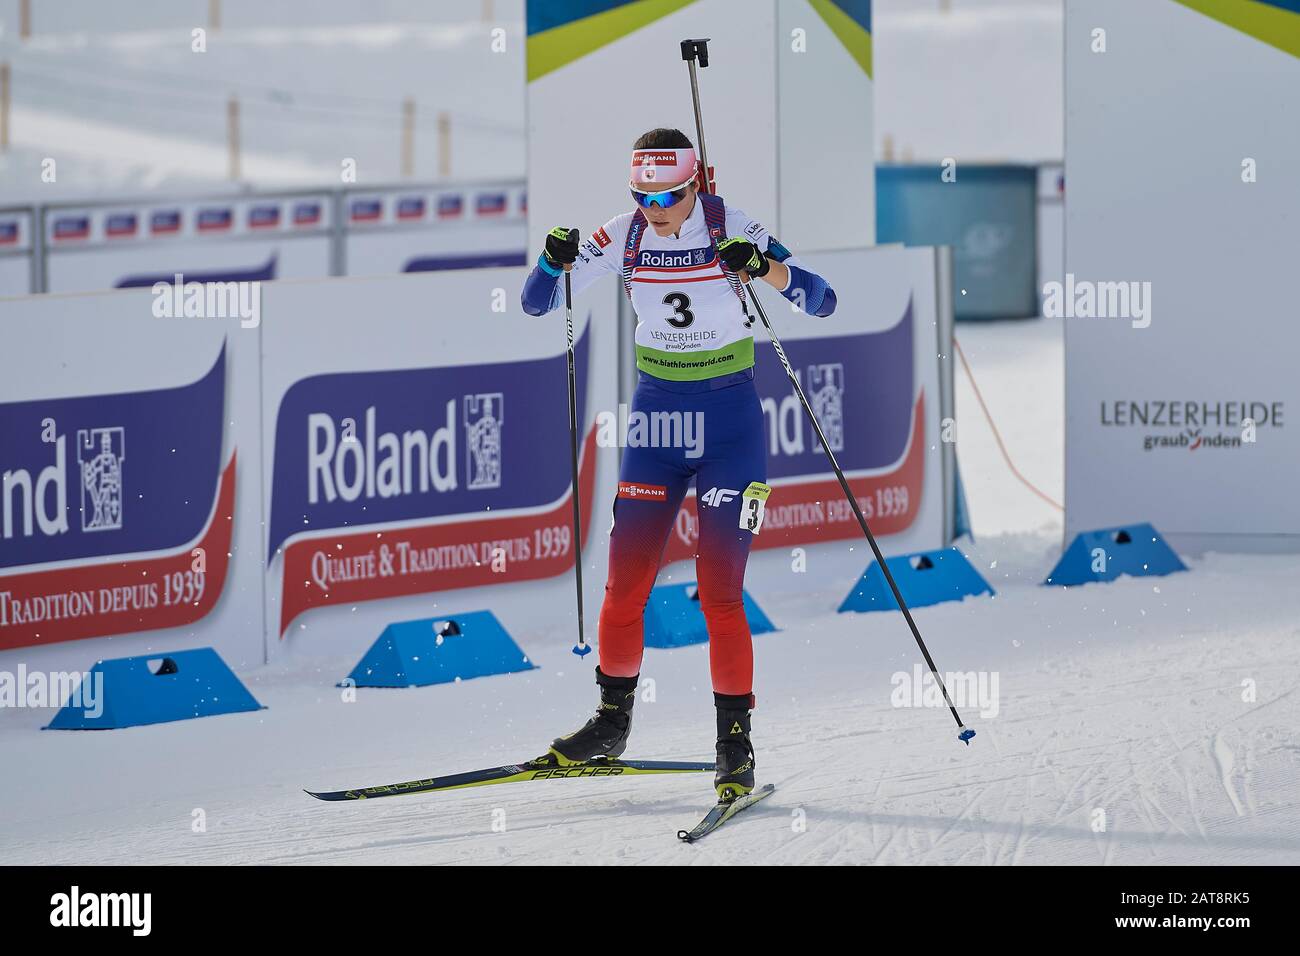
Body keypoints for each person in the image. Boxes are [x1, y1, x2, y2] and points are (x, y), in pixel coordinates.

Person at [521, 127, 837, 800]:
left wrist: (760, 267)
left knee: (719, 590)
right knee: (625, 584)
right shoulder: (626, 234)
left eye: (666, 195)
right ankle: (610, 724)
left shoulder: (733, 225)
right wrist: (550, 264)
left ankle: (734, 743)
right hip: (657, 422)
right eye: (640, 194)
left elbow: (820, 297)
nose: (654, 208)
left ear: (695, 185)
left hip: (730, 426)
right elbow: (536, 302)